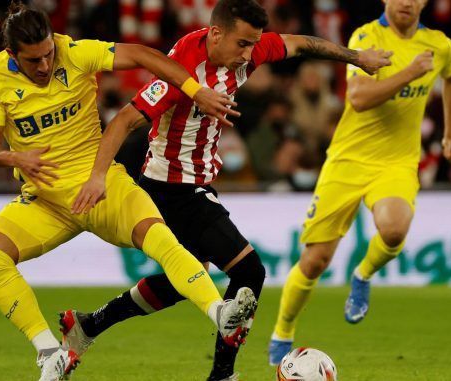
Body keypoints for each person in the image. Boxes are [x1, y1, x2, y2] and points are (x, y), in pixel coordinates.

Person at [62, 1, 392, 380]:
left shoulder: (247, 51)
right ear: (216, 33)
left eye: (253, 45)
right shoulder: (181, 71)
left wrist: (356, 57)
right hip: (171, 187)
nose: (249, 55)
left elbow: (300, 43)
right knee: (249, 271)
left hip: (196, 181)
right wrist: (98, 176)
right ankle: (222, 375)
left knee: (182, 281)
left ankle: (87, 326)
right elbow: (122, 121)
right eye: (242, 45)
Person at [0, 3, 250, 381]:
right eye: (34, 60)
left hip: (101, 186)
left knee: (163, 240)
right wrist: (15, 156)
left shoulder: (76, 52)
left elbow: (145, 56)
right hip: (47, 202)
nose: (45, 65)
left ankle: (220, 313)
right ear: (11, 54)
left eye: (49, 53)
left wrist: (195, 90)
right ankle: (50, 353)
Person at [268, 0, 451, 365]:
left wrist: (450, 133)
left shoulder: (439, 45)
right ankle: (283, 331)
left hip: (396, 162)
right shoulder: (367, 36)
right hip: (348, 161)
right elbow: (358, 98)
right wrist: (409, 73)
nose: (406, 2)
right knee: (314, 261)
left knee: (393, 230)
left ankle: (362, 276)